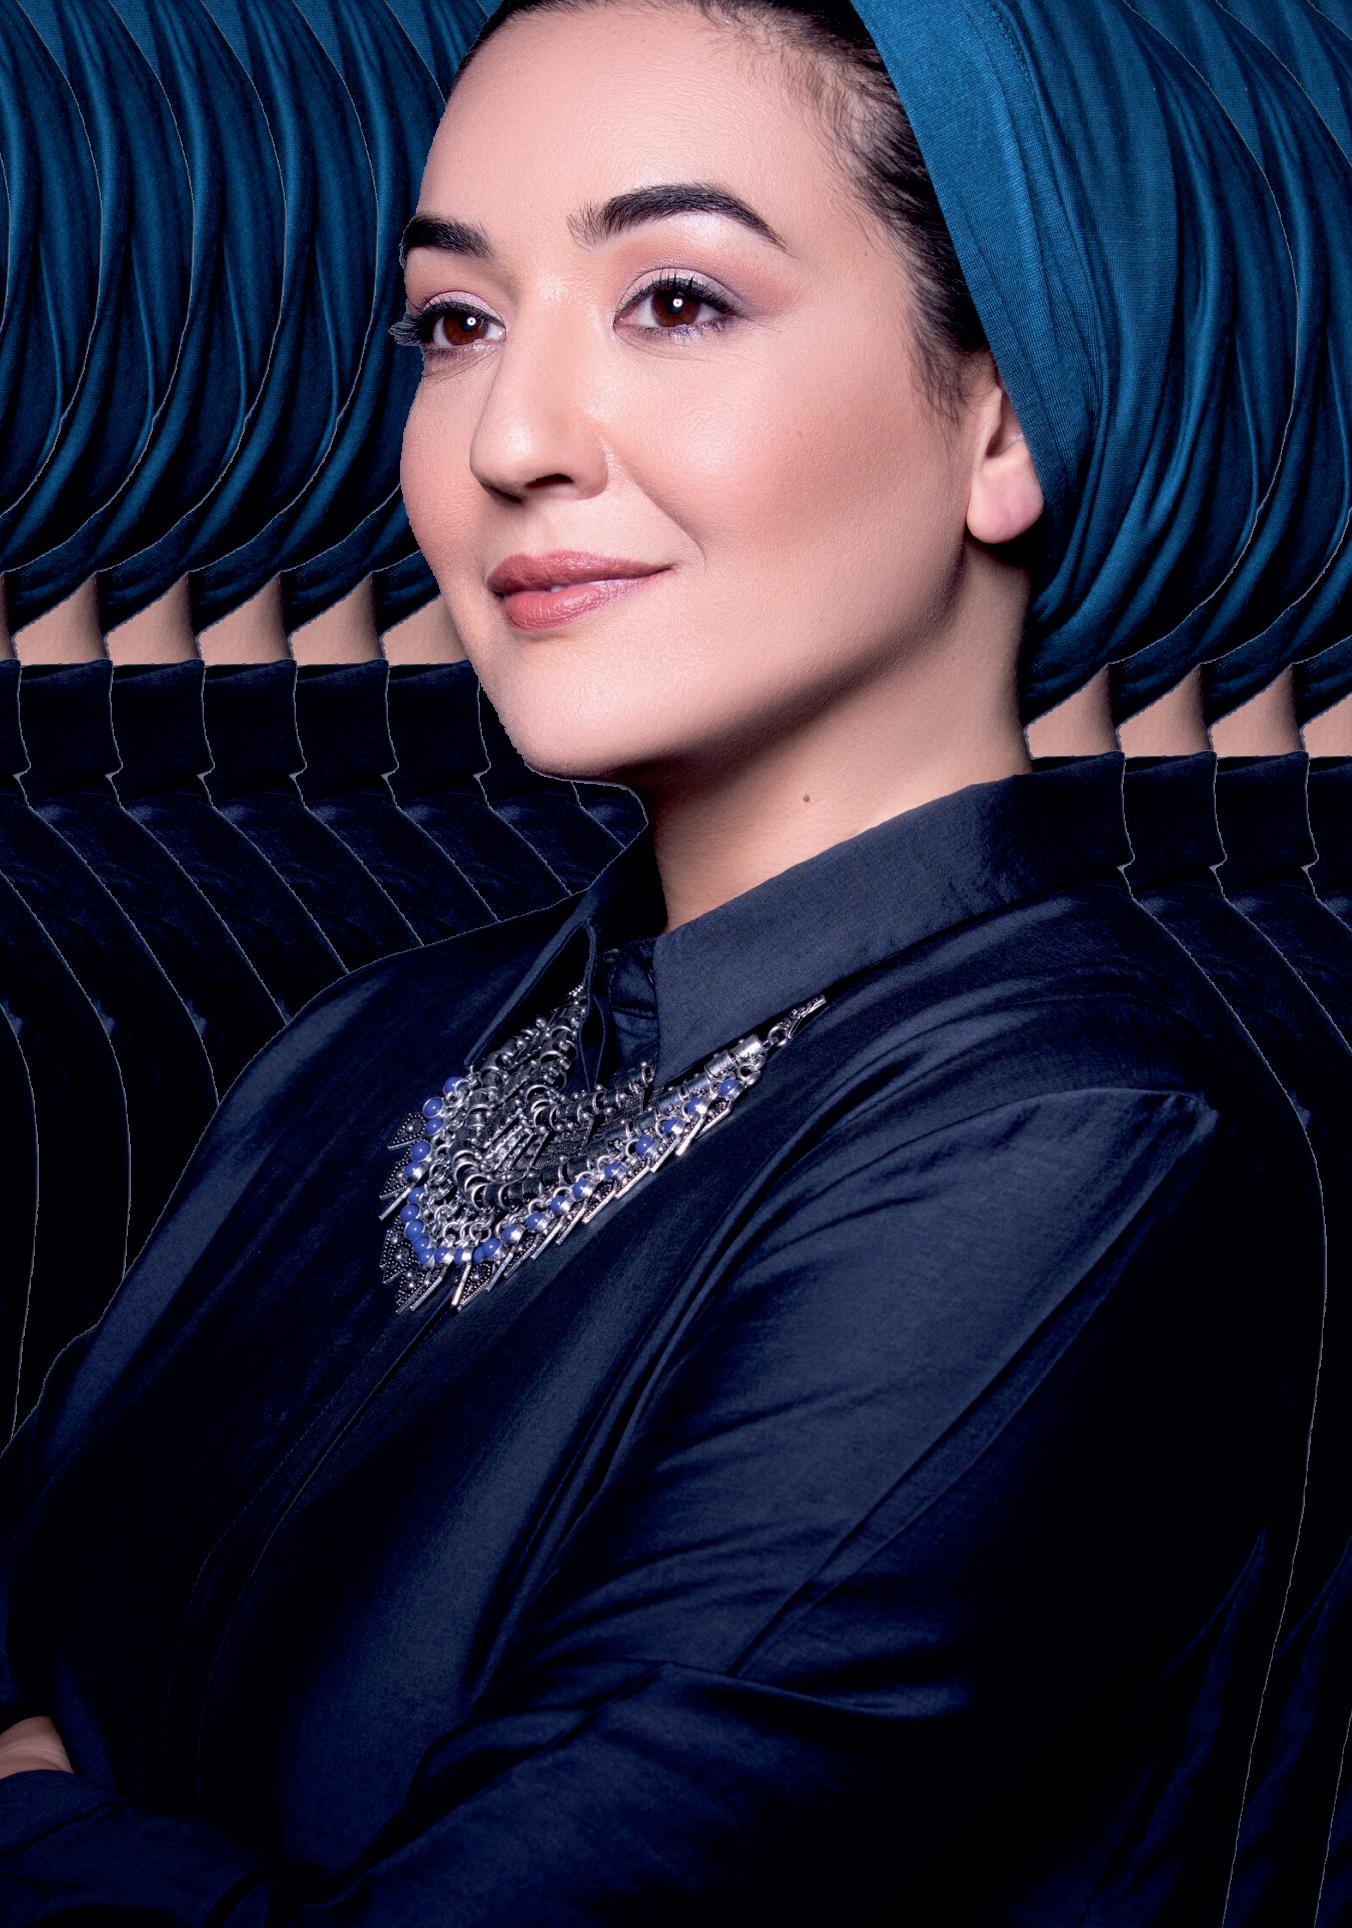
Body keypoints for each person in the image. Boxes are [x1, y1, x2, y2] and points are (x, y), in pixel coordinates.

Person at [0, 1, 1325, 1920]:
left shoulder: (1075, 1147)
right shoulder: (365, 1047)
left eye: (677, 301)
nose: (512, 442)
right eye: (458, 324)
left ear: (1005, 416)